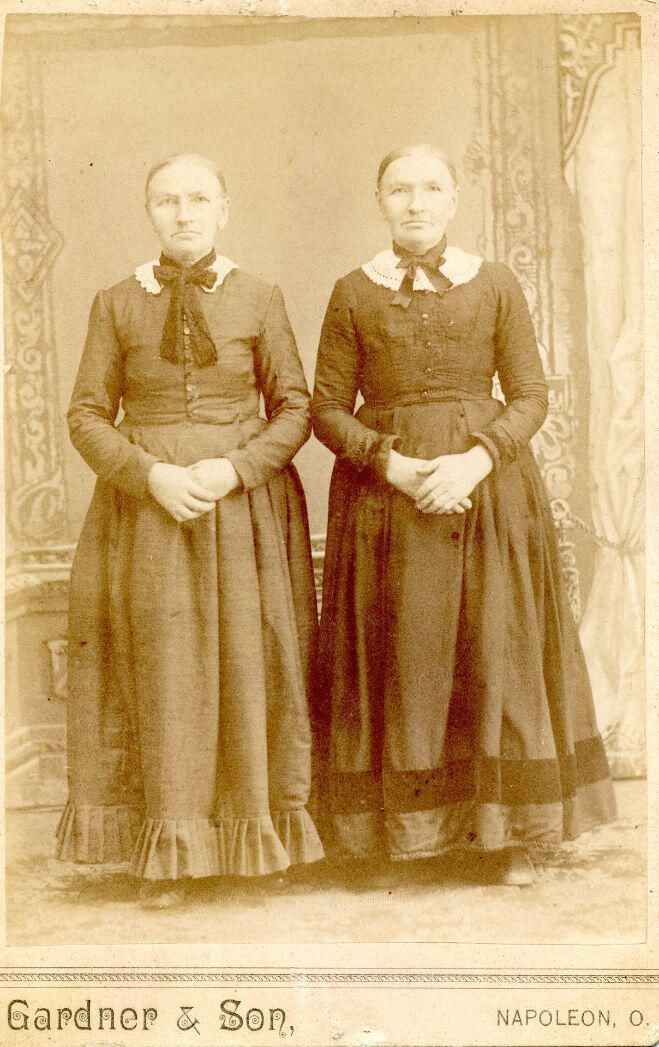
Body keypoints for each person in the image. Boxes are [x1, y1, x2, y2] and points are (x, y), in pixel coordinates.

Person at [311, 144, 616, 886]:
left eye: (430, 188)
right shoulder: (352, 291)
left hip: (487, 495)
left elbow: (530, 395)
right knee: (401, 657)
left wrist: (475, 460)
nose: (415, 203)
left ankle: (503, 836)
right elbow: (325, 407)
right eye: (399, 189)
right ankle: (395, 835)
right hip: (386, 503)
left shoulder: (495, 283)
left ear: (453, 199)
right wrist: (388, 463)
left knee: (492, 648)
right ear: (380, 201)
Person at [57, 153, 323, 907]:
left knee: (249, 664)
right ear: (149, 212)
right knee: (165, 674)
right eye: (167, 201)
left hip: (242, 513)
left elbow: (295, 408)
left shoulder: (260, 296)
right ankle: (170, 854)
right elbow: (85, 414)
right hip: (147, 515)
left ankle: (258, 842)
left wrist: (236, 469)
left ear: (223, 209)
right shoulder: (116, 302)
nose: (183, 214)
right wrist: (150, 475)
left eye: (198, 199)